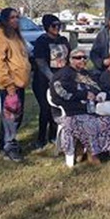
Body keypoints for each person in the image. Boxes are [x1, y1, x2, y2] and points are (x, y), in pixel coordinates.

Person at [50, 48, 110, 165]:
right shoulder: (63, 74)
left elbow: (97, 88)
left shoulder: (87, 74)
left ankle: (97, 150)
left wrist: (99, 95)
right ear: (70, 60)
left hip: (91, 109)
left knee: (109, 120)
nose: (82, 60)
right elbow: (60, 95)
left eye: (84, 57)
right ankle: (92, 153)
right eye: (78, 57)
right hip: (71, 111)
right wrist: (84, 95)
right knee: (89, 123)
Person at [0, 7, 31, 162]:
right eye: (12, 17)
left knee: (16, 117)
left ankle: (3, 143)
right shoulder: (0, 38)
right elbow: (0, 65)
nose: (16, 20)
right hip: (10, 86)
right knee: (11, 118)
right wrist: (9, 86)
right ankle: (10, 147)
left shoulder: (15, 35)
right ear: (5, 20)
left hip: (20, 83)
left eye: (17, 17)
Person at [32, 14, 70, 150]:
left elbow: (69, 58)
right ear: (47, 27)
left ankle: (53, 134)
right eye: (54, 25)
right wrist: (52, 78)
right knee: (45, 108)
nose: (57, 28)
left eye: (59, 25)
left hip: (62, 79)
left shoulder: (63, 40)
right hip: (43, 81)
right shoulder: (41, 41)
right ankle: (41, 138)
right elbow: (41, 63)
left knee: (58, 107)